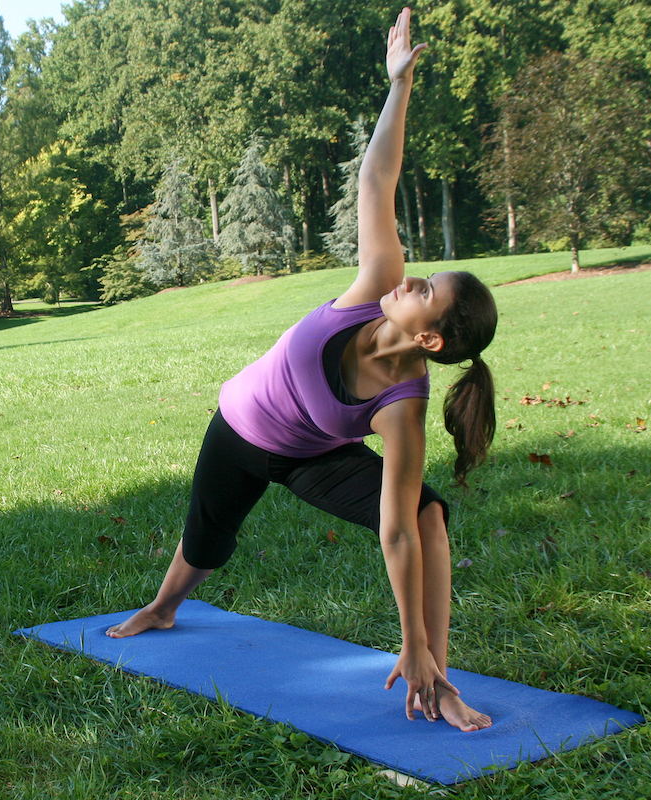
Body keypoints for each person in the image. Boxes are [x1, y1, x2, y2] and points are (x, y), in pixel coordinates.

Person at [106, 7, 497, 733]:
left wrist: (410, 639)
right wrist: (398, 88)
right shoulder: (376, 281)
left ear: (433, 341)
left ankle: (433, 676)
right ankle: (163, 608)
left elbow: (398, 534)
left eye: (425, 292)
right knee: (207, 540)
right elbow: (376, 180)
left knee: (426, 513)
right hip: (242, 426)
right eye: (422, 277)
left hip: (310, 456)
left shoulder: (402, 407)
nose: (411, 282)